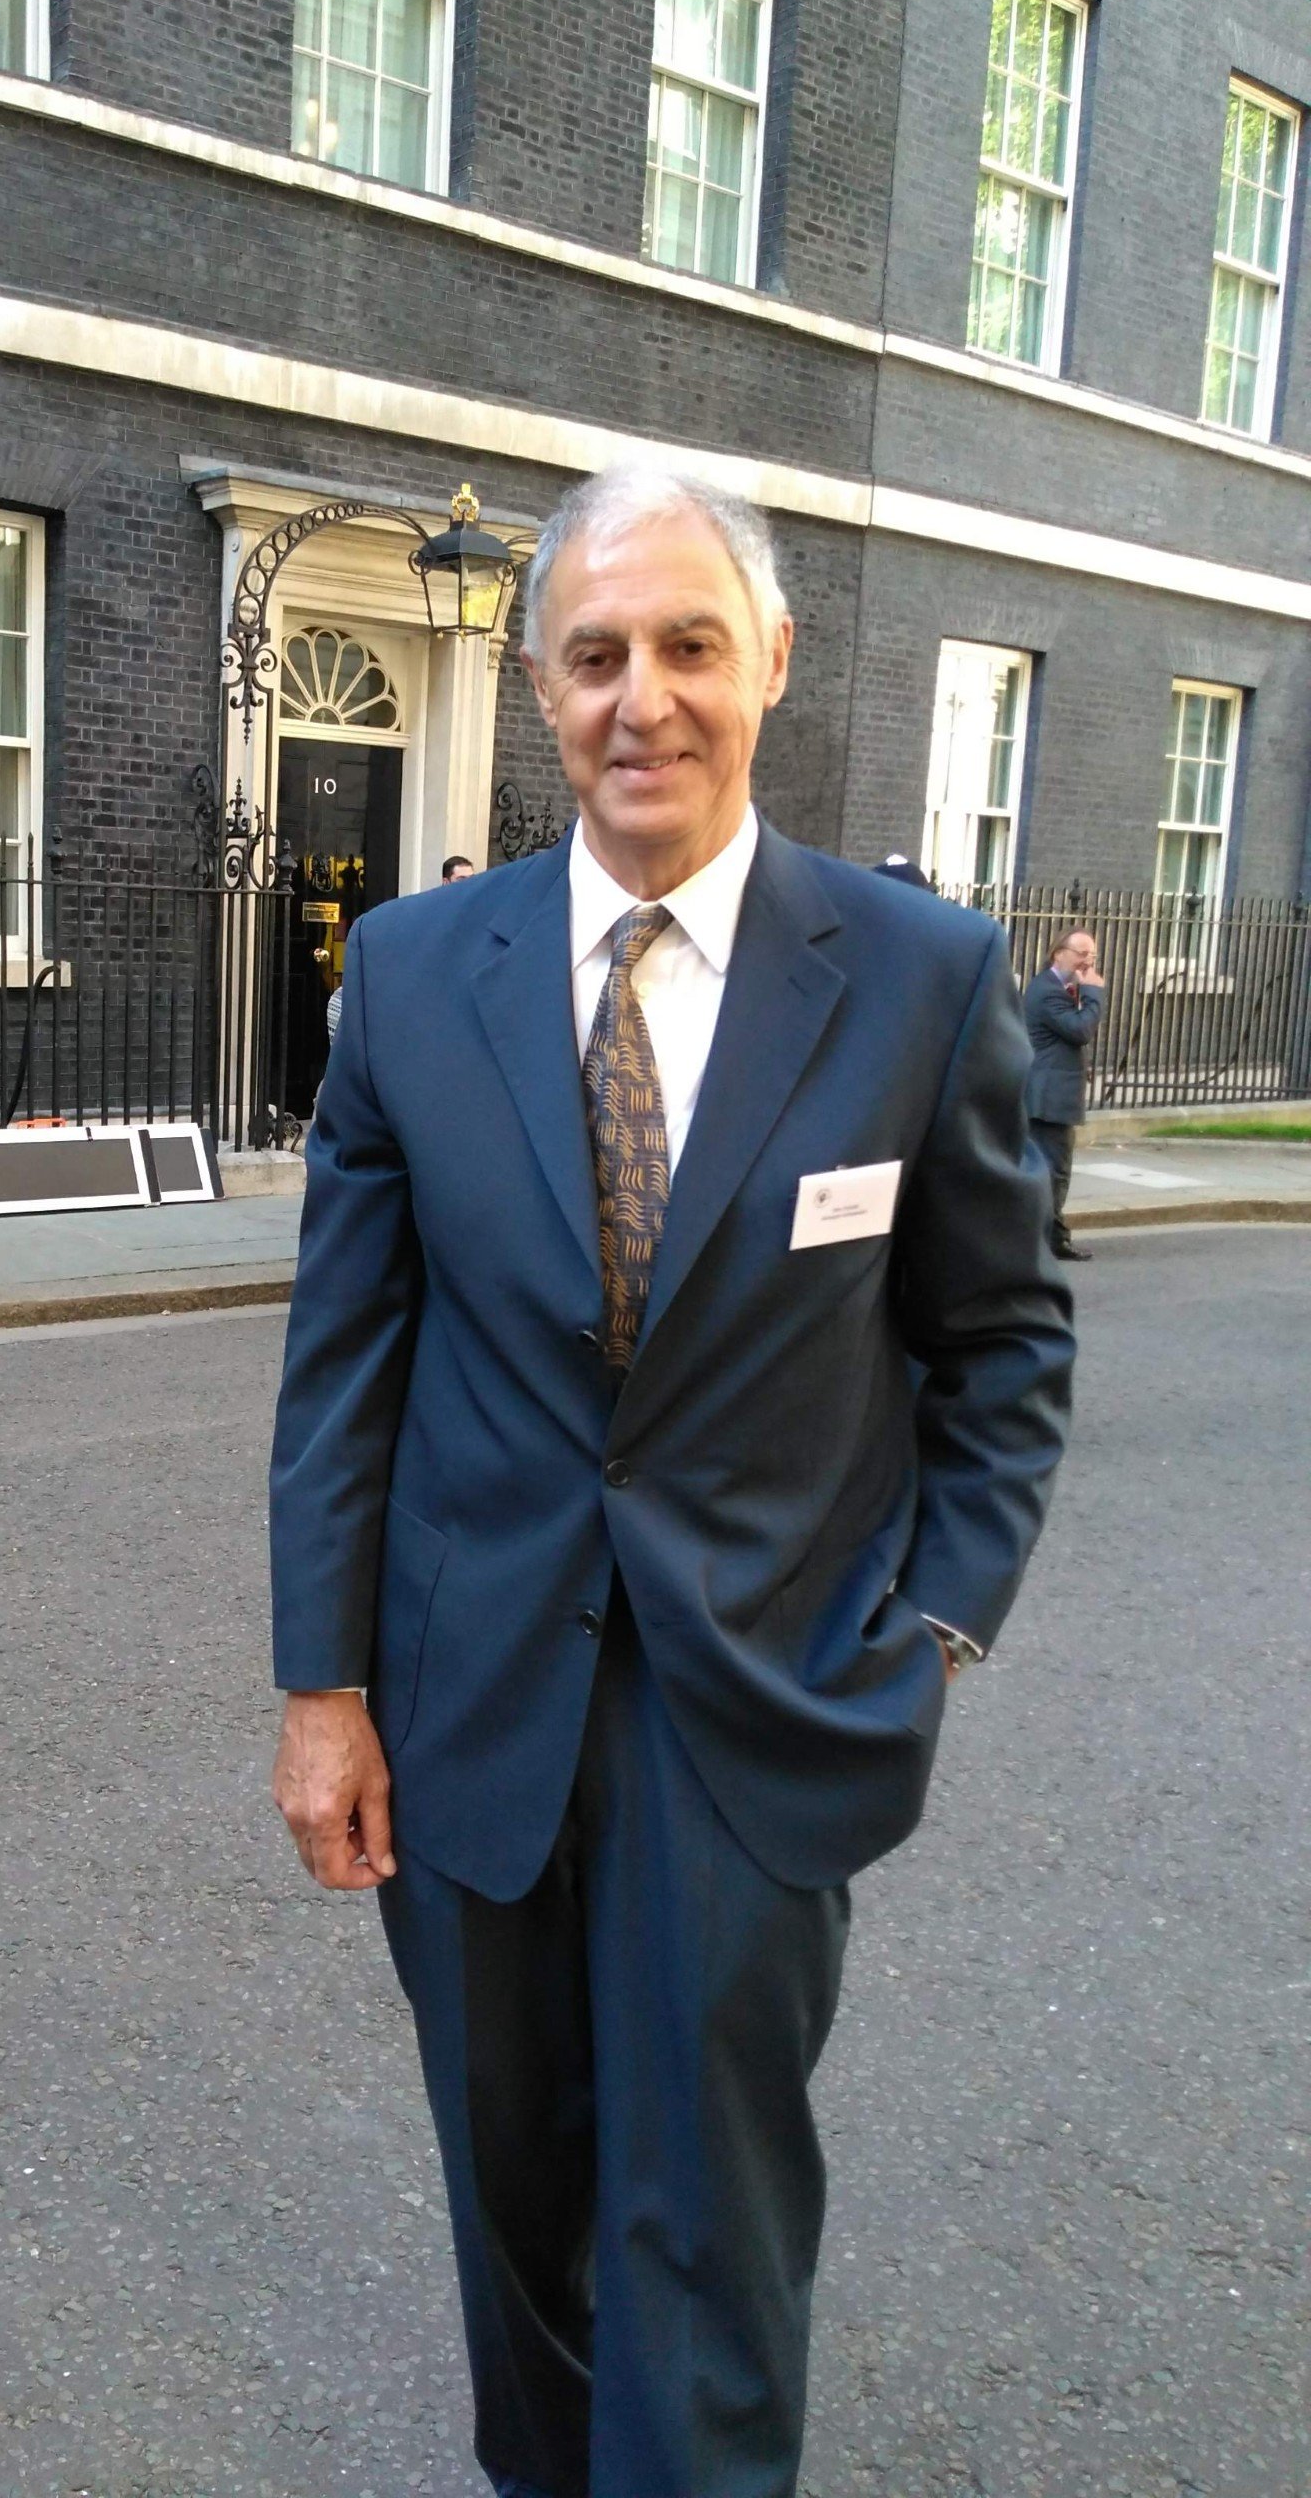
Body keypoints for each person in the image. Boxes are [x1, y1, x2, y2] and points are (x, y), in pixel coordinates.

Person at [268, 458, 1074, 2498]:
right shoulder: (413, 978)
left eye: (688, 645)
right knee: (516, 2202)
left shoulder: (918, 977)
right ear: (542, 684)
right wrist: (321, 1690)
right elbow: (345, 1366)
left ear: (770, 662)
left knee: (702, 2221)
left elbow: (1002, 1345)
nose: (646, 697)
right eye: (599, 653)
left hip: (759, 1706)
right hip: (469, 1709)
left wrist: (939, 1620)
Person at [1024, 928, 1105, 1263]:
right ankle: (1050, 1241)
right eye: (1081, 953)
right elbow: (1080, 1030)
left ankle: (1046, 1237)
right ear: (1058, 952)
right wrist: (1094, 994)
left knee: (1049, 1170)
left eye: (1093, 956)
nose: (1087, 962)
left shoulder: (1059, 988)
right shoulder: (1047, 991)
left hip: (1051, 1093)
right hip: (1049, 1097)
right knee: (1054, 1171)